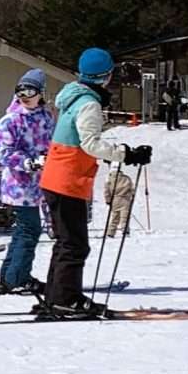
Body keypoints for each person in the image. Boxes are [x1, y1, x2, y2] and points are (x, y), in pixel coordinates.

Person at [37, 47, 127, 319]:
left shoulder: (72, 97)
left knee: (65, 242)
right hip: (68, 180)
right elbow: (91, 144)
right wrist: (125, 153)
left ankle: (56, 296)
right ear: (105, 76)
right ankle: (66, 299)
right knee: (75, 244)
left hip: (57, 177)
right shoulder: (89, 103)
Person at [0, 68, 53, 296]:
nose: (25, 96)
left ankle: (10, 275)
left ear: (41, 93)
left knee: (25, 230)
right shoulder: (11, 120)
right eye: (20, 91)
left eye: (30, 91)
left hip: (38, 184)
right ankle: (18, 277)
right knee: (29, 229)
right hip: (19, 185)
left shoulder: (45, 117)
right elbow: (4, 152)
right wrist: (29, 162)